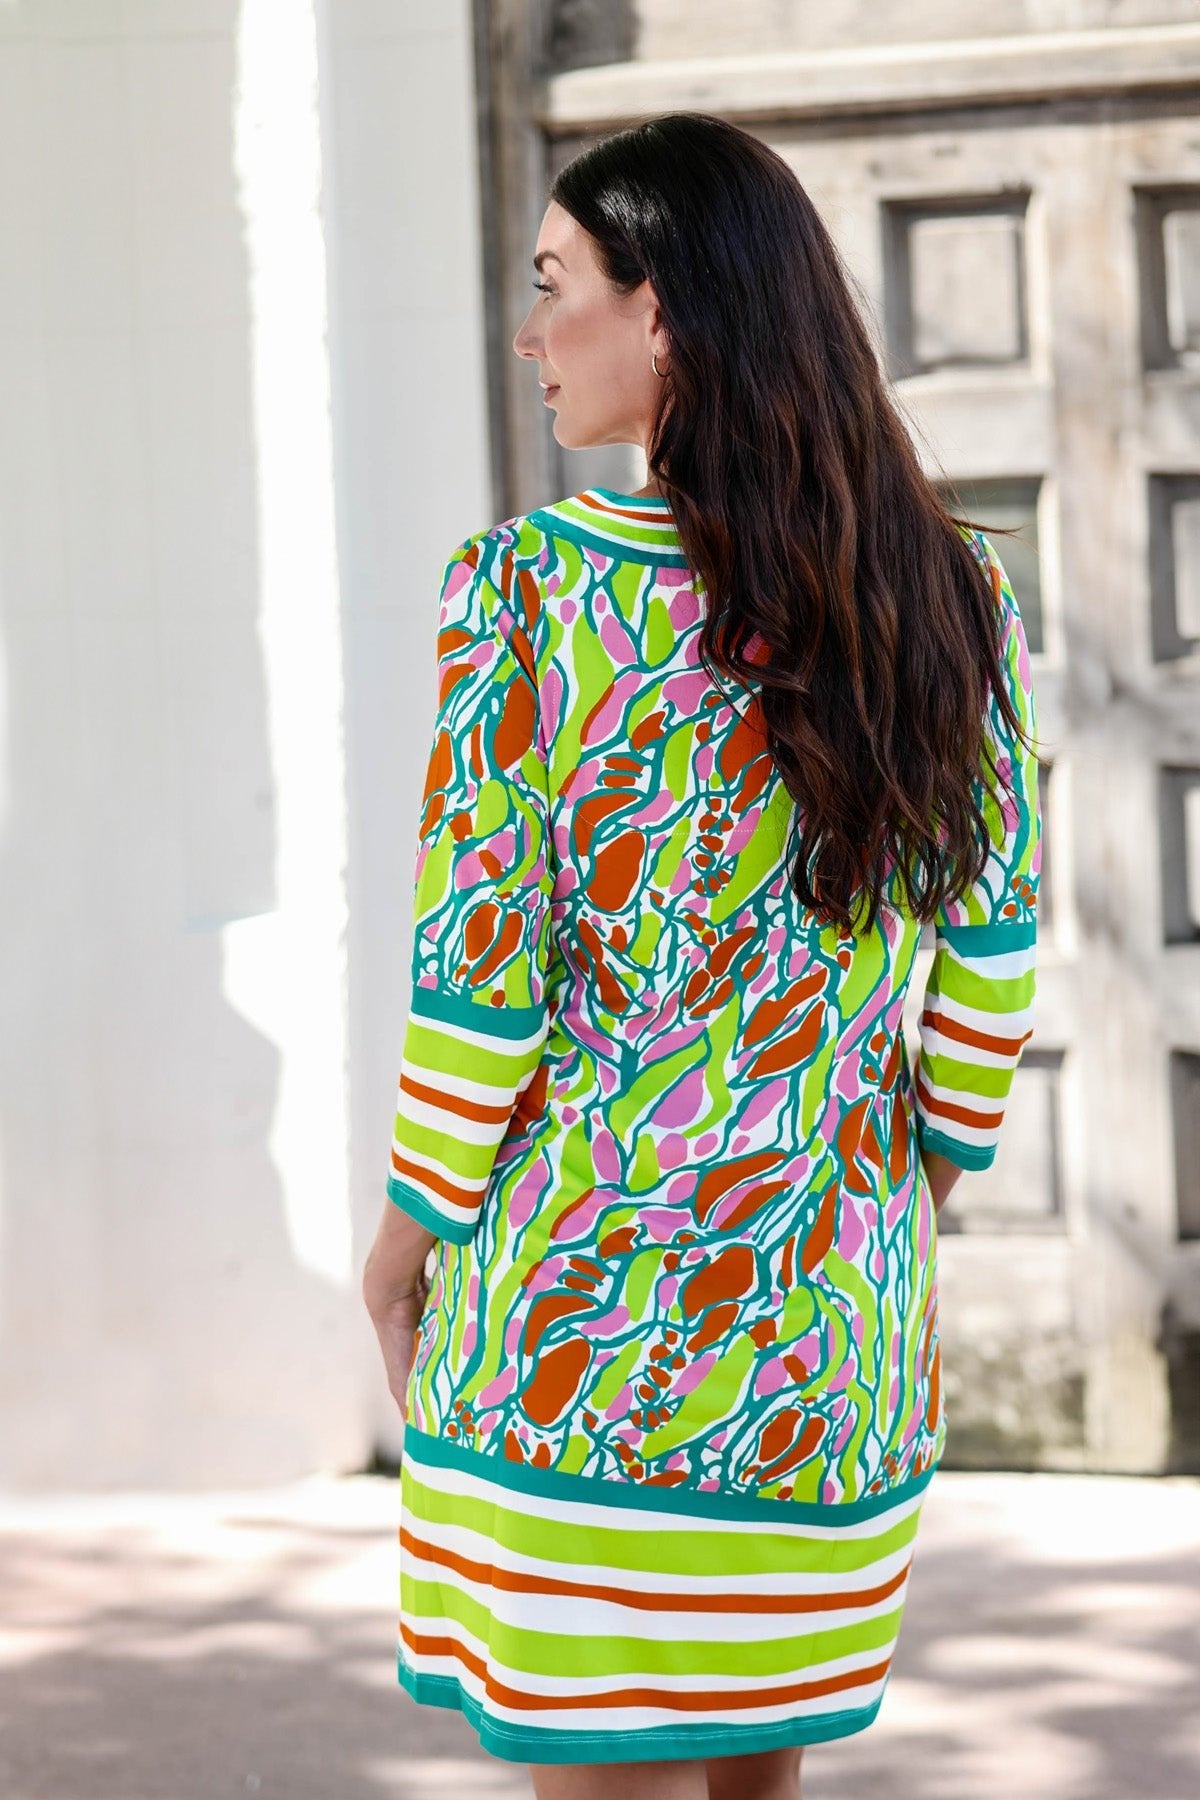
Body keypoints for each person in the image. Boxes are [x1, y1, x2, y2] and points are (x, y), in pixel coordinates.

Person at [362, 111, 1042, 1800]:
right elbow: (991, 961)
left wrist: (406, 1236)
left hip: (586, 1337)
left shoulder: (525, 596)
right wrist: (893, 1190)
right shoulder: (952, 593)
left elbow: (481, 974)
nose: (530, 334)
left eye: (554, 285)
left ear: (659, 311)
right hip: (830, 1333)